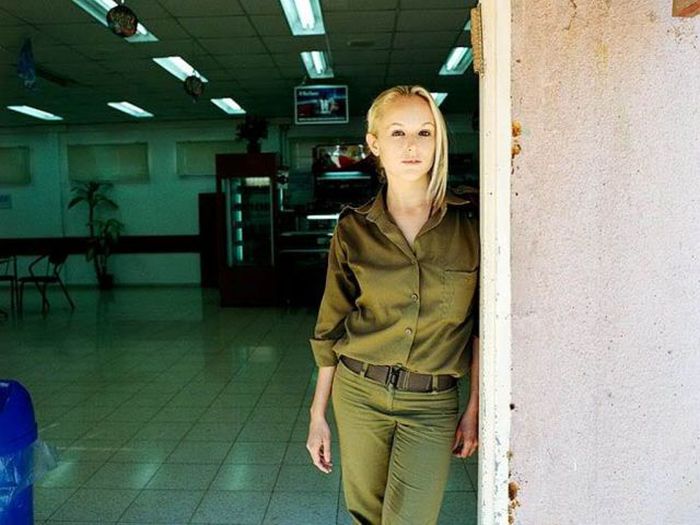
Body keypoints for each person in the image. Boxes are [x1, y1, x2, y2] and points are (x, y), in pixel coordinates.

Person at [306, 85, 480, 525]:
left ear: (438, 141)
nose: (411, 146)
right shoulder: (353, 229)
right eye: (397, 132)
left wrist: (475, 407)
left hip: (432, 402)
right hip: (359, 391)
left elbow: (482, 327)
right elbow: (330, 327)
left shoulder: (472, 221)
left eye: (424, 133)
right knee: (366, 516)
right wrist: (317, 415)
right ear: (374, 143)